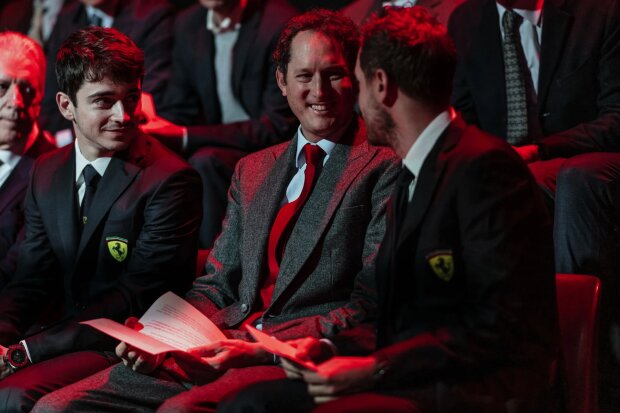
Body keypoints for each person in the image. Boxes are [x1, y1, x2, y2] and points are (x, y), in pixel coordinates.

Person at [32, 9, 399, 413]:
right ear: (281, 81)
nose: (319, 91)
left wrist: (257, 345)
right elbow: (217, 284)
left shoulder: (384, 165)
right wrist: (160, 334)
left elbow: (369, 303)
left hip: (292, 353)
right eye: (304, 76)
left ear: (356, 78)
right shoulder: (254, 168)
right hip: (214, 340)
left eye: (333, 74)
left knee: (180, 410)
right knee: (56, 407)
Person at [218, 7, 559, 413]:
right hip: (411, 374)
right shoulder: (415, 169)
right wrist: (324, 345)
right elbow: (380, 307)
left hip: (472, 390)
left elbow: (498, 330)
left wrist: (374, 369)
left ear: (381, 86)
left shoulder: (485, 169)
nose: (351, 100)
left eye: (354, 82)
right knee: (251, 404)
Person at [0, 27, 202, 412]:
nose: (123, 116)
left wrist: (23, 351)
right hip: (60, 332)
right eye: (104, 101)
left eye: (131, 98)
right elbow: (32, 277)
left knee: (13, 395)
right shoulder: (46, 171)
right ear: (65, 106)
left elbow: (135, 295)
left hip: (127, 343)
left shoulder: (171, 179)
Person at [448, 0, 620, 406]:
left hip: (589, 161)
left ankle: (579, 366)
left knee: (576, 180)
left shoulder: (600, 11)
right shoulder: (467, 20)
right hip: (510, 167)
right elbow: (462, 119)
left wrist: (539, 150)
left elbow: (616, 117)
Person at [142, 0, 298, 248]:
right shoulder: (188, 23)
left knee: (206, 161)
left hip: (274, 152)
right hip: (215, 147)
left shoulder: (278, 23)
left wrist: (184, 135)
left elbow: (275, 127)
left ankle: (212, 269)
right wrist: (146, 117)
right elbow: (182, 106)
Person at [40, 0, 175, 137]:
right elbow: (51, 96)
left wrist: (67, 137)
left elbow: (143, 100)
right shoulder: (68, 16)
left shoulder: (152, 15)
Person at [0, 31, 56, 288]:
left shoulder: (53, 173)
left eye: (26, 89)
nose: (15, 102)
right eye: (2, 87)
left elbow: (21, 271)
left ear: (41, 96)